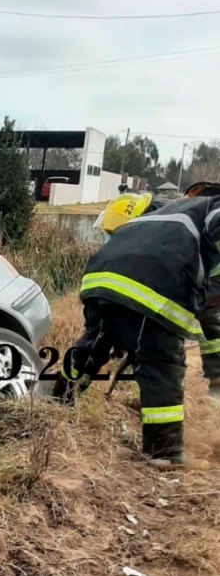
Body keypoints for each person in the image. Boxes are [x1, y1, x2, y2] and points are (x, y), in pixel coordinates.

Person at [52, 188, 220, 468]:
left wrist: (216, 374)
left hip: (99, 278)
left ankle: (59, 399)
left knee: (92, 346)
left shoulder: (167, 216)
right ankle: (163, 451)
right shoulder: (210, 208)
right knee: (160, 360)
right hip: (149, 283)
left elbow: (211, 321)